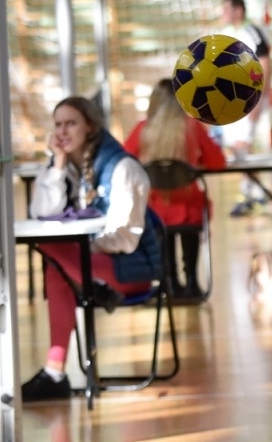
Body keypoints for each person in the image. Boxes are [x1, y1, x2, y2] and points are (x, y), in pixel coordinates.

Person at [22, 95, 164, 402]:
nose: (62, 131)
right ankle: (55, 372)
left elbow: (125, 238)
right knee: (55, 267)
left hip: (130, 271)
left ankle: (54, 375)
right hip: (89, 269)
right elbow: (41, 213)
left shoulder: (122, 167)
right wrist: (57, 167)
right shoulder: (63, 165)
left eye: (71, 123)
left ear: (90, 127)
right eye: (57, 124)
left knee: (51, 250)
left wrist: (81, 246)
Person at [124, 78, 226, 301]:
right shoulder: (192, 127)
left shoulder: (143, 130)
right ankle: (192, 281)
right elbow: (218, 162)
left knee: (163, 231)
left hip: (154, 211)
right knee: (189, 221)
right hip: (189, 208)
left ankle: (168, 281)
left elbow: (124, 162)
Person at [217, 0, 272, 217]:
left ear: (238, 11)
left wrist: (260, 97)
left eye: (226, 9)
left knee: (242, 146)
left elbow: (267, 64)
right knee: (236, 147)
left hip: (249, 98)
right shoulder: (230, 35)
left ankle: (248, 195)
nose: (223, 14)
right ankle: (258, 193)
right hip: (233, 99)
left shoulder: (252, 32)